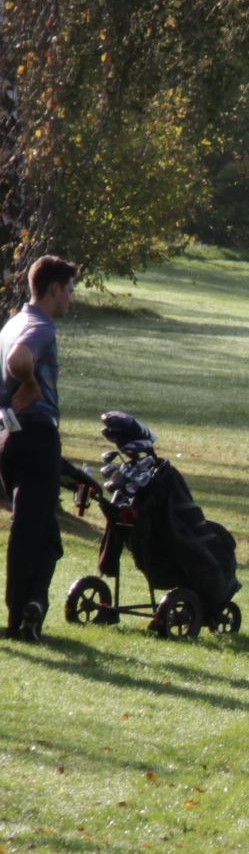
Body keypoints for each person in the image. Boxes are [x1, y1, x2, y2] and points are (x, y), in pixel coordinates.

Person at [0, 256, 80, 641]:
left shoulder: (11, 324)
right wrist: (30, 384)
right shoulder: (40, 327)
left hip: (9, 437)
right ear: (53, 290)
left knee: (43, 533)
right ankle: (19, 620)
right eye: (69, 291)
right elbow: (19, 361)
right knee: (31, 532)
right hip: (36, 436)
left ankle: (33, 603)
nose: (70, 299)